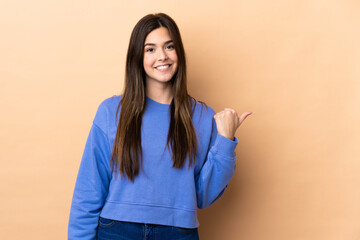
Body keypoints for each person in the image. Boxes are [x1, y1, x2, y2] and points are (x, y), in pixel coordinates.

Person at [68, 13, 252, 240]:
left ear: (179, 53)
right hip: (117, 231)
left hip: (178, 233)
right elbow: (89, 189)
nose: (162, 56)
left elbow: (203, 197)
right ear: (138, 56)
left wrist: (225, 141)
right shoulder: (111, 111)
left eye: (169, 47)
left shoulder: (204, 117)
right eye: (150, 49)